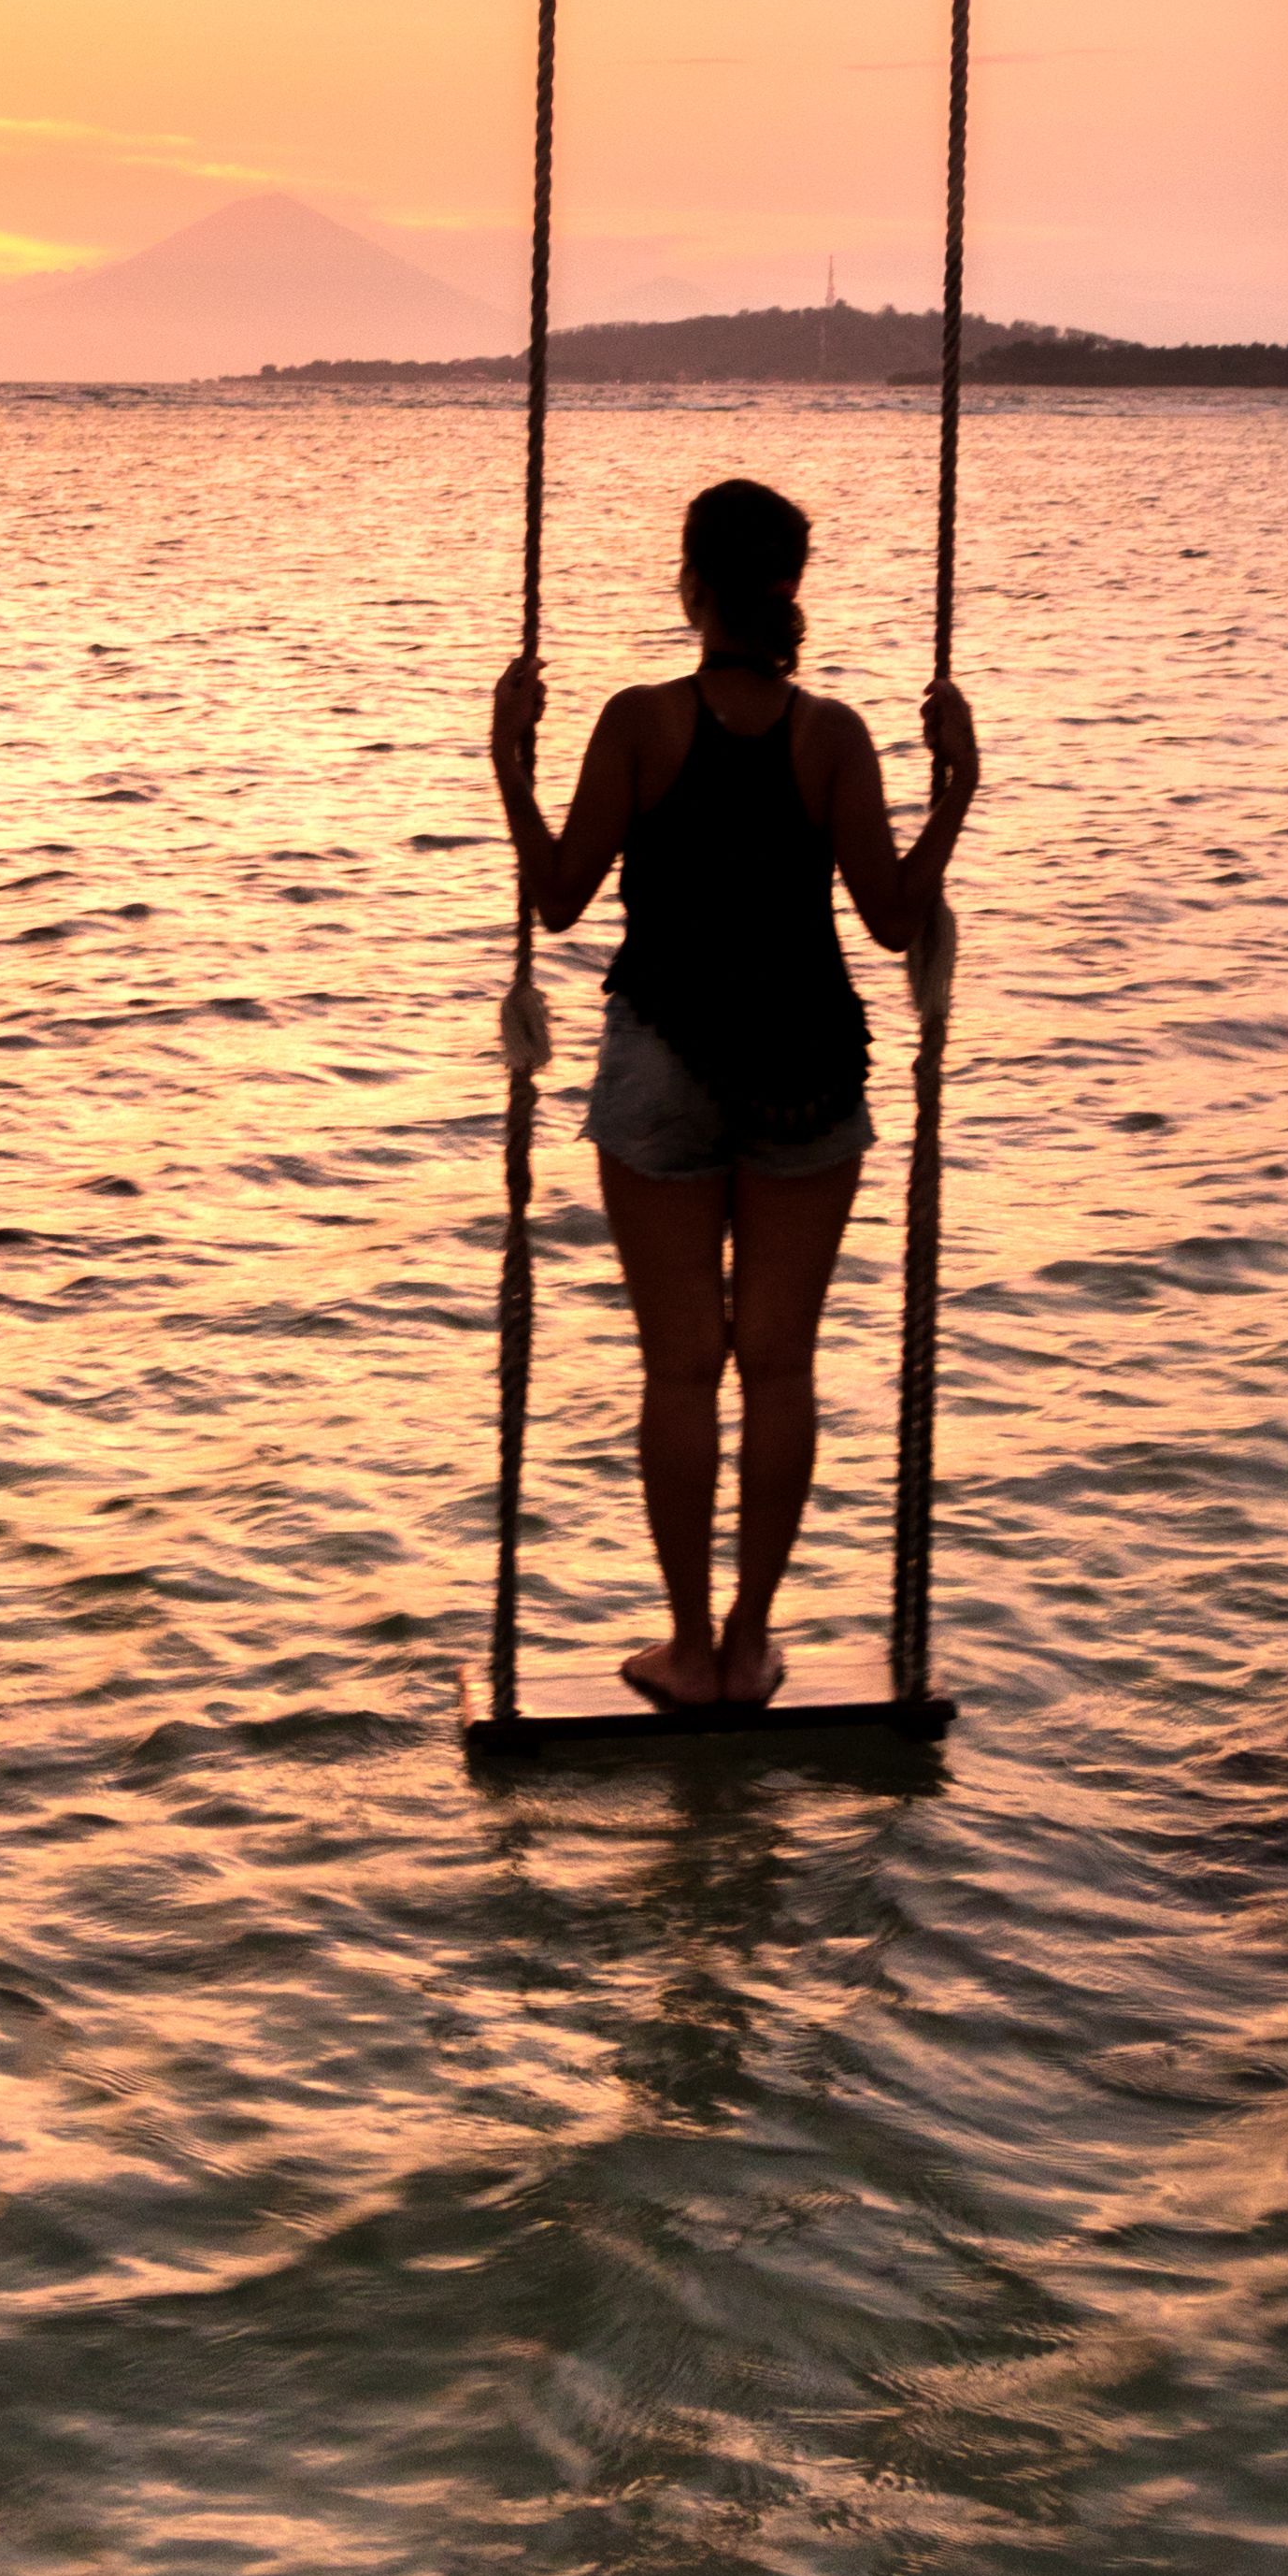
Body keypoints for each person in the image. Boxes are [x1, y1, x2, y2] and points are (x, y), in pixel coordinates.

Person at [489, 475, 978, 1707]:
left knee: (680, 1369)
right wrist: (957, 788)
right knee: (778, 1364)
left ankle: (692, 1646)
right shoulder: (833, 738)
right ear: (789, 591)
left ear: (692, 588)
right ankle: (754, 1641)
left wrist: (508, 762)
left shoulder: (642, 724)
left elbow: (555, 898)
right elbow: (890, 918)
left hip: (663, 1055)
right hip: (808, 1073)